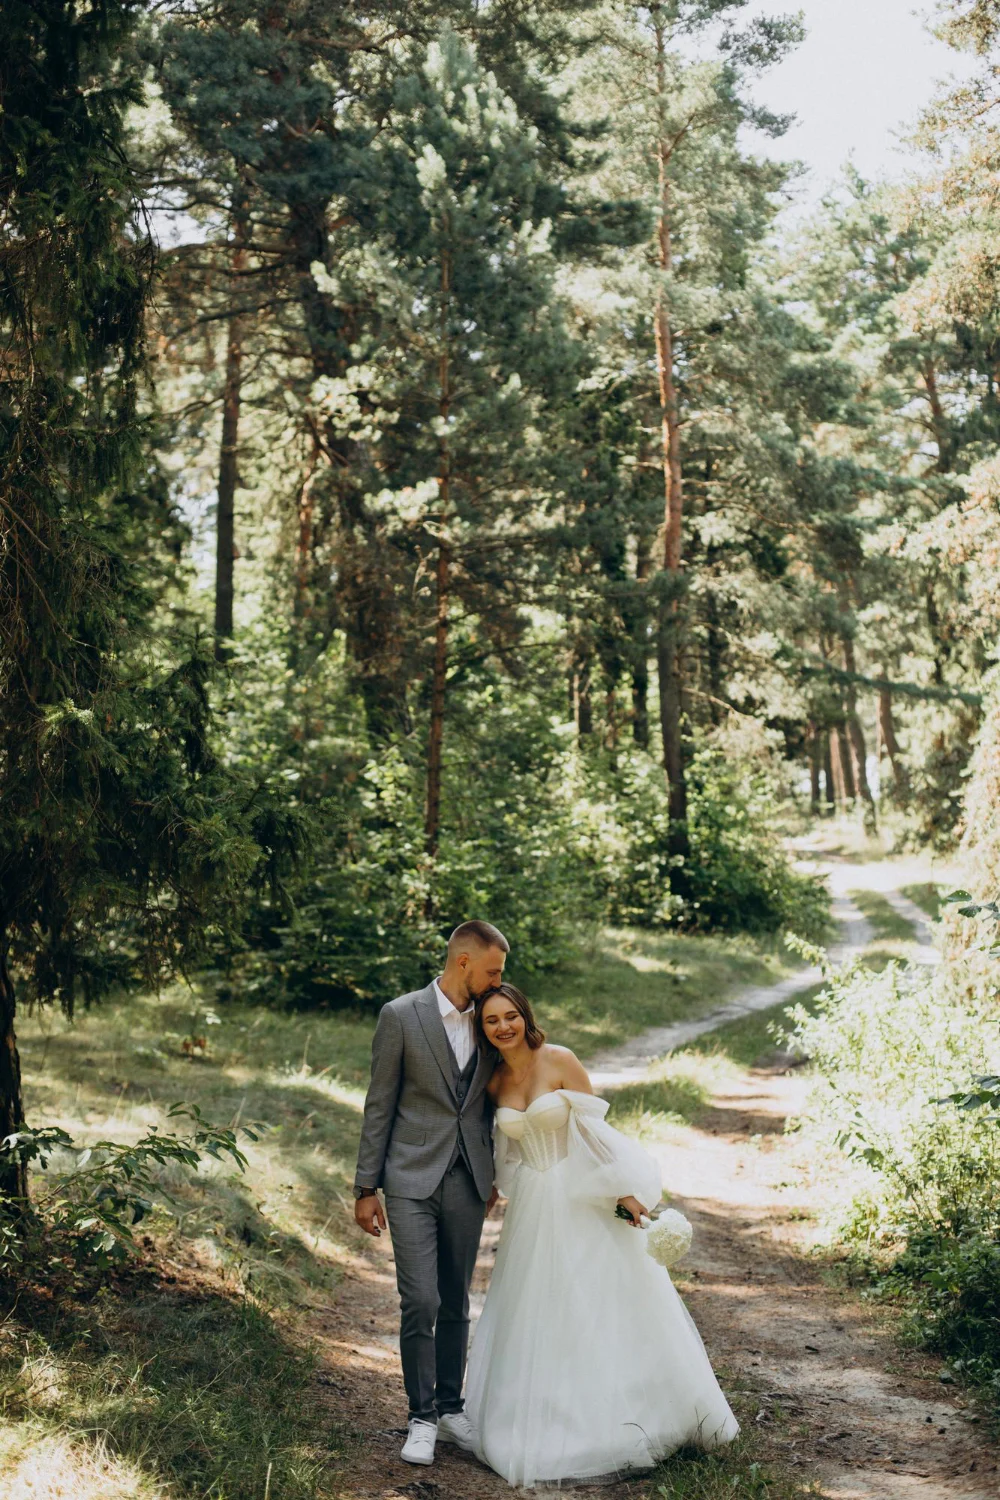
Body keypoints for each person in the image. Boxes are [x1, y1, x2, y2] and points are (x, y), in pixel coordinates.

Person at [465, 982, 739, 1489]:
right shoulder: (493, 1083)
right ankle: (544, 1413)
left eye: (510, 1016)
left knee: (600, 1302)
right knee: (538, 1308)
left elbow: (596, 1136)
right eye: (490, 1021)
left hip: (579, 1196)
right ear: (482, 1029)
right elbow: (502, 1151)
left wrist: (623, 1194)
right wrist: (488, 1193)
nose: (503, 1027)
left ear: (525, 1015)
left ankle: (636, 1414)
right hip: (531, 1204)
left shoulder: (561, 1060)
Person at [353, 920, 507, 1467]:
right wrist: (365, 1186)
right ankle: (420, 1418)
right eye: (493, 970)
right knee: (421, 1300)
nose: (498, 981)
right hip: (410, 1178)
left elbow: (500, 1100)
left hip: (469, 1179)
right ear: (463, 961)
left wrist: (499, 1174)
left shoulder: (493, 1020)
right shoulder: (400, 1016)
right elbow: (380, 1104)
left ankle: (450, 1407)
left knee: (457, 1301)